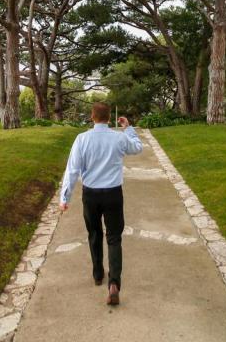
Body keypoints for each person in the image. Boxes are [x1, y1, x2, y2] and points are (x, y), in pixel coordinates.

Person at [59, 102, 143, 305]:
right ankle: (114, 283)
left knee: (94, 234)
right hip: (113, 194)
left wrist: (65, 198)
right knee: (114, 238)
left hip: (91, 195)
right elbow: (137, 148)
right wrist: (128, 128)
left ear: (92, 116)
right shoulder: (119, 137)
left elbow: (72, 170)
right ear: (109, 118)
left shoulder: (82, 139)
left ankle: (98, 274)